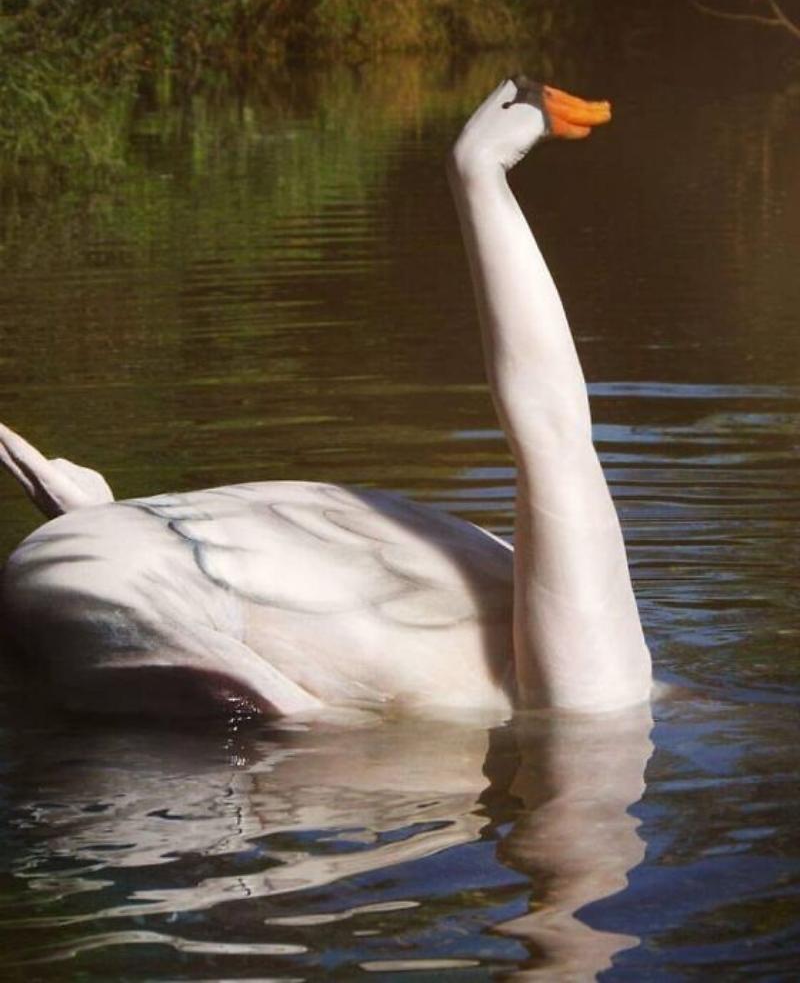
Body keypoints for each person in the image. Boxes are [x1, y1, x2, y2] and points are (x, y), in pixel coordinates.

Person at [0, 77, 652, 718]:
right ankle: (92, 526)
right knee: (579, 694)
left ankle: (92, 524)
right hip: (123, 583)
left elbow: (553, 428)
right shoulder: (585, 691)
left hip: (128, 573)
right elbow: (549, 424)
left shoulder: (506, 622)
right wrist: (478, 176)